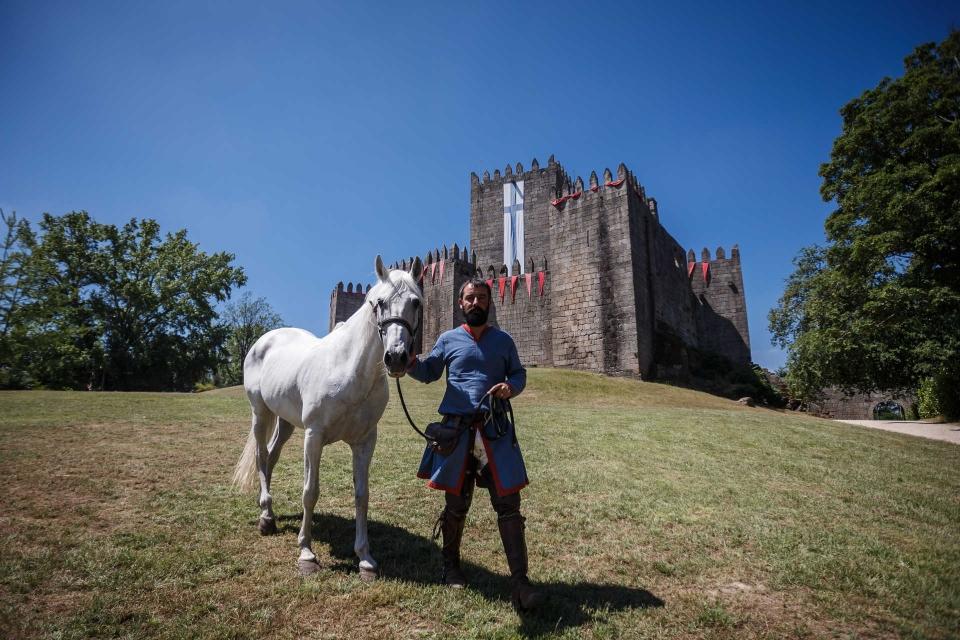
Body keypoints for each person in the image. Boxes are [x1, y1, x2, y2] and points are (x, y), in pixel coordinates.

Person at [407, 278, 543, 610]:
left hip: (494, 430)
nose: (475, 303)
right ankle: (451, 567)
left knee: (509, 506)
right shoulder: (448, 339)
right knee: (456, 505)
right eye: (470, 298)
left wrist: (511, 387)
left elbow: (519, 374)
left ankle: (520, 583)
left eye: (481, 297)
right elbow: (429, 371)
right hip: (457, 431)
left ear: (489, 302)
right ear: (461, 303)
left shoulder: (503, 341)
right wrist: (408, 362)